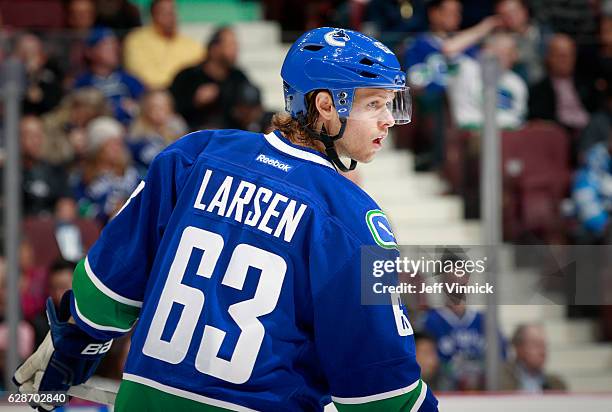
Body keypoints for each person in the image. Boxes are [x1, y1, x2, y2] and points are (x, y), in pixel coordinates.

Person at [13, 27, 438, 411]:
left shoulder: (196, 153)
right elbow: (381, 392)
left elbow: (107, 289)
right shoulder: (351, 218)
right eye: (376, 103)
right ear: (325, 105)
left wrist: (76, 344)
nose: (389, 119)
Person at [169, 26, 251, 130]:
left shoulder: (239, 77)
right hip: (193, 136)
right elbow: (170, 108)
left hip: (230, 137)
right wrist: (195, 101)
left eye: (236, 45)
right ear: (214, 49)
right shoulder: (188, 76)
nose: (235, 49)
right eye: (230, 45)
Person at [123, 0, 204, 89]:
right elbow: (140, 75)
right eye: (164, 12)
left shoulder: (191, 44)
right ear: (153, 15)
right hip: (151, 93)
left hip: (184, 95)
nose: (170, 17)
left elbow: (201, 72)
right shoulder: (136, 40)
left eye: (172, 12)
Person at [500, 324, 566, 392]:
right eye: (536, 345)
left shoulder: (557, 385)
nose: (542, 351)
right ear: (519, 348)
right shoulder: (498, 380)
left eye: (544, 345)